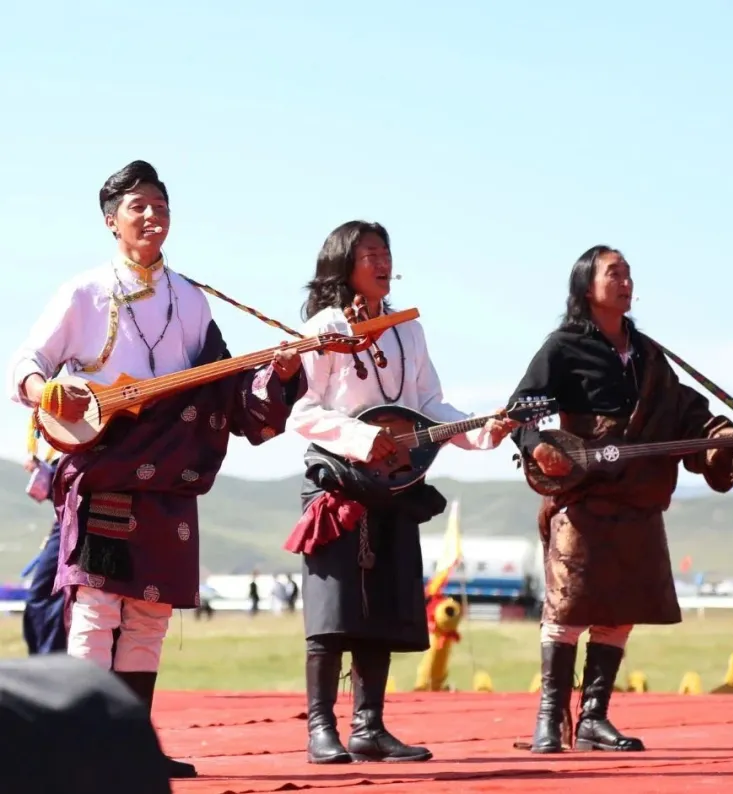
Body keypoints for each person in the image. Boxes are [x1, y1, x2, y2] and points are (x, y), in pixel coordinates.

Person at [6, 160, 307, 779]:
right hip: (106, 469)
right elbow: (27, 364)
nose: (152, 216)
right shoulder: (84, 292)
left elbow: (226, 382)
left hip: (169, 475)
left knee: (148, 616)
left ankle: (131, 748)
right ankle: (83, 747)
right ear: (110, 221)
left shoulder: (192, 299)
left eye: (160, 205)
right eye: (138, 206)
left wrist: (277, 373)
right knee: (97, 611)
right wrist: (48, 393)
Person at [506, 245, 733, 754]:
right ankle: (550, 720)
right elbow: (522, 411)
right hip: (584, 495)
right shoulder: (562, 348)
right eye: (613, 273)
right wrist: (538, 446)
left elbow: (687, 415)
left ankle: (594, 720)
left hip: (640, 496)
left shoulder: (650, 355)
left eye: (628, 274)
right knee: (567, 605)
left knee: (619, 609)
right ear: (587, 288)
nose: (625, 281)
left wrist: (731, 440)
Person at [284, 220, 518, 765]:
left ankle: (369, 727)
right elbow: (303, 410)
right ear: (346, 264)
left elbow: (429, 405)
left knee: (384, 608)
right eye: (370, 254)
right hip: (338, 482)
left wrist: (484, 430)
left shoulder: (408, 329)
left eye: (386, 253)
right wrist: (364, 438)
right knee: (332, 610)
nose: (382, 262)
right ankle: (321, 728)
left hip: (395, 483)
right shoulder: (324, 327)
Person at [21, 441, 67, 656]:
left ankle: (50, 663)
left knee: (49, 596)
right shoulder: (63, 434)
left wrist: (49, 473)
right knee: (42, 597)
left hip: (75, 522)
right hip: (64, 521)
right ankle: (45, 662)